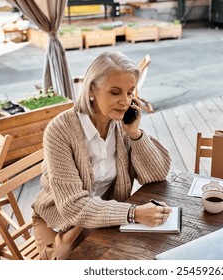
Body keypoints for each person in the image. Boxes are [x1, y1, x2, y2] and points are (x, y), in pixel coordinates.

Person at [32, 51, 172, 260]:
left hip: (105, 213)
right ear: (91, 91)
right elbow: (73, 206)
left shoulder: (121, 125)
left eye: (130, 92)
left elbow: (157, 174)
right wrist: (133, 213)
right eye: (115, 92)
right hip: (60, 220)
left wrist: (135, 134)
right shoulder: (60, 130)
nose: (125, 101)